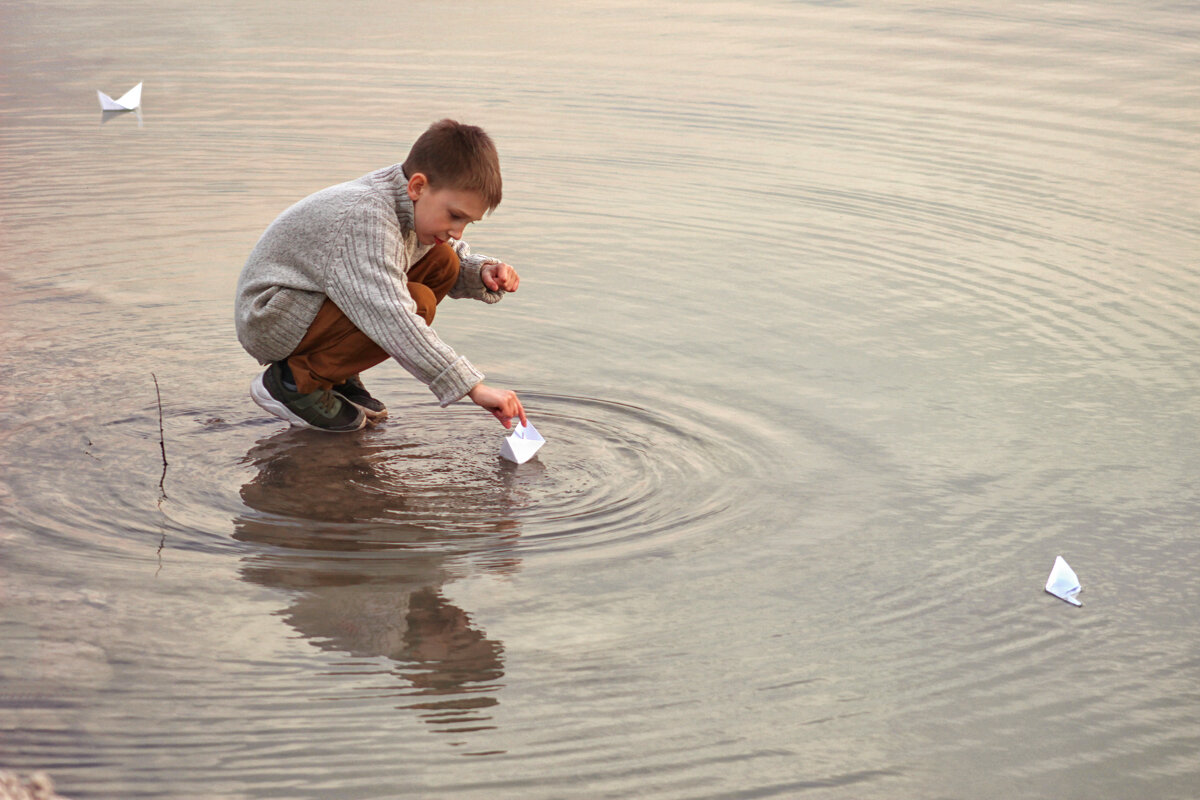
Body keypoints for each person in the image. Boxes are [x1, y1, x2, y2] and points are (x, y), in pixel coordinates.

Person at [234, 119, 527, 433]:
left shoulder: (406, 198)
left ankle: (335, 375)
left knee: (444, 260)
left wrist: (480, 272)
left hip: (309, 301)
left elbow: (423, 255)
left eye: (468, 222)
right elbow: (394, 318)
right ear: (417, 186)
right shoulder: (366, 218)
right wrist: (473, 388)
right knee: (418, 303)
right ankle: (293, 384)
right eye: (455, 216)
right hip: (271, 317)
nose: (458, 230)